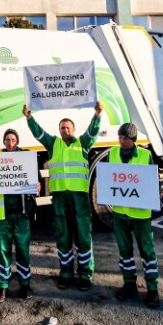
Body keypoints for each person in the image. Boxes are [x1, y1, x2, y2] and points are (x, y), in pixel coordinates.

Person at [23, 101, 103, 291]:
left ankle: (85, 275)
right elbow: (38, 133)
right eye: (62, 128)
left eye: (68, 127)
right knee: (63, 237)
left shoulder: (83, 143)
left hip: (80, 199)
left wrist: (97, 115)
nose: (65, 130)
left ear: (73, 130)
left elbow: (93, 131)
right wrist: (29, 117)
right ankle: (65, 273)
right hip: (59, 199)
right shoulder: (53, 144)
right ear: (59, 130)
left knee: (83, 237)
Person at [109, 123, 160, 309]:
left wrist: (155, 202)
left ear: (133, 139)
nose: (121, 141)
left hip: (140, 214)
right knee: (125, 251)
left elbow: (153, 182)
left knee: (147, 251)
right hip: (120, 212)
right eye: (120, 137)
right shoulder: (112, 153)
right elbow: (110, 177)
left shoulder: (145, 156)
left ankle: (152, 289)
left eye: (125, 138)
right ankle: (129, 284)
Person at [0, 128, 39, 303]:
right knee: (3, 251)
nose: (10, 143)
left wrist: (38, 185)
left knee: (23, 250)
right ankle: (3, 286)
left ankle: (25, 284)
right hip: (3, 215)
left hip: (22, 214)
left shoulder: (26, 158)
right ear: (3, 142)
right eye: (7, 140)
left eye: (13, 140)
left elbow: (36, 179)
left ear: (17, 141)